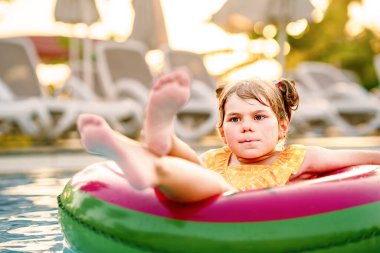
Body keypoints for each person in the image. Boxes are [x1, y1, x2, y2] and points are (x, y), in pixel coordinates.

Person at [77, 69, 380, 203]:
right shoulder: (219, 157)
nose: (246, 127)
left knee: (210, 183)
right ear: (222, 132)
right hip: (200, 181)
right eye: (235, 119)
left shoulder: (299, 158)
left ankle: (150, 157)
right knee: (195, 166)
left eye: (259, 117)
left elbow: (363, 157)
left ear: (283, 126)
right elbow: (194, 166)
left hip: (226, 201)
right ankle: (159, 137)